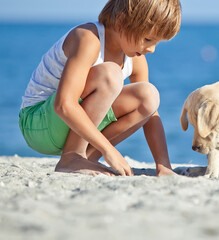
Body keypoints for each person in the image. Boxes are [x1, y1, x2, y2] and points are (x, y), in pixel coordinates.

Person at [18, 0, 182, 176]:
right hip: (38, 124)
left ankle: (85, 158)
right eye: (148, 39)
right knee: (110, 74)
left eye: (157, 42)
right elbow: (64, 105)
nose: (152, 49)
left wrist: (163, 165)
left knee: (149, 96)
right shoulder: (88, 38)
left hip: (70, 128)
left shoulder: (136, 58)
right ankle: (72, 156)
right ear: (121, 22)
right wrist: (108, 150)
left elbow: (151, 115)